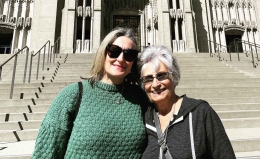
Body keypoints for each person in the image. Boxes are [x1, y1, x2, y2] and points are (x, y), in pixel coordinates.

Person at [32, 27, 149, 158]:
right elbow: (45, 153)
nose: (121, 59)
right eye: (114, 51)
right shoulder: (72, 95)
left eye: (129, 54)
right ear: (103, 53)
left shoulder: (139, 96)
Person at [139, 45, 236, 159]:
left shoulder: (200, 113)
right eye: (148, 78)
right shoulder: (143, 118)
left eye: (161, 75)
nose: (155, 84)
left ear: (174, 76)